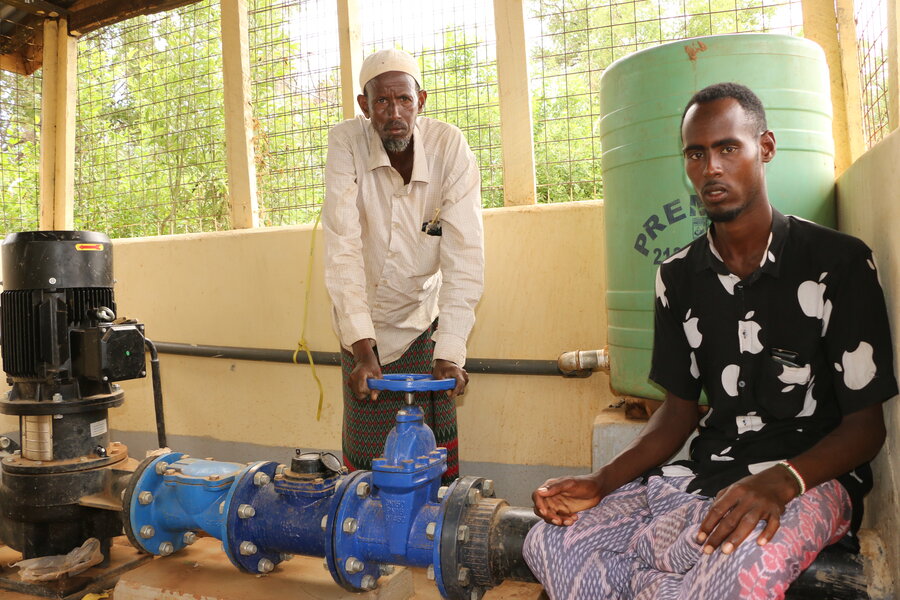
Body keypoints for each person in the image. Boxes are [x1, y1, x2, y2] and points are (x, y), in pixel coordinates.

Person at [523, 82, 896, 599]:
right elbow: (677, 415)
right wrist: (601, 481)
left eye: (728, 148)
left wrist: (784, 479)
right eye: (696, 154)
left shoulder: (838, 263)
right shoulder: (677, 277)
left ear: (764, 148)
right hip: (703, 474)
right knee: (551, 541)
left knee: (738, 569)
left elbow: (866, 428)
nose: (711, 168)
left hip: (808, 480)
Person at [322, 48, 484, 484]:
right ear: (364, 105)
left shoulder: (450, 148)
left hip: (420, 323)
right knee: (368, 464)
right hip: (363, 331)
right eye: (381, 101)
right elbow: (342, 249)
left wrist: (449, 353)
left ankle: (434, 541)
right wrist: (362, 350)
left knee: (433, 460)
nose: (394, 113)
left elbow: (465, 257)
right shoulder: (345, 143)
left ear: (421, 100)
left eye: (404, 100)